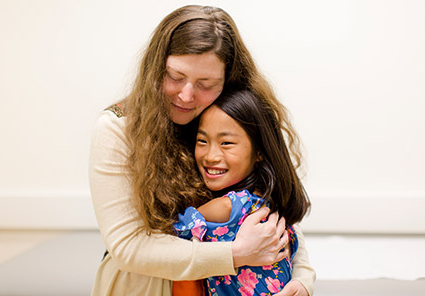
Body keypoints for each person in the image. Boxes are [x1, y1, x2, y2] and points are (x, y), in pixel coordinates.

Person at [89, 4, 316, 296]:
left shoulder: (229, 119)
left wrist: (302, 279)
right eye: (175, 76)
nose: (185, 95)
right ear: (156, 67)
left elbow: (272, 208)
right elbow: (128, 247)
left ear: (227, 81)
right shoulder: (117, 129)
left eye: (205, 83)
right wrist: (235, 254)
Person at [173, 89, 310, 295]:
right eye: (202, 141)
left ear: (258, 152)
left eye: (226, 143)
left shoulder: (229, 206)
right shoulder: (268, 202)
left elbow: (177, 229)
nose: (211, 156)